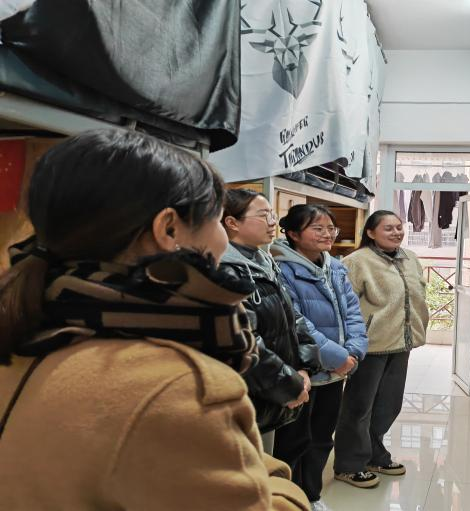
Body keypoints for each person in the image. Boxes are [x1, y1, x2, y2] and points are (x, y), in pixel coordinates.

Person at [0, 129, 308, 510]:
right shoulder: (177, 387)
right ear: (169, 229)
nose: (223, 242)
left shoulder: (28, 326)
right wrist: (271, 478)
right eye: (215, 219)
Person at [272, 204, 369, 511]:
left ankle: (311, 495)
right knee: (293, 440)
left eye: (331, 228)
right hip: (303, 370)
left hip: (336, 372)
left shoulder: (335, 267)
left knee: (322, 437)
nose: (327, 234)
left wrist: (353, 352)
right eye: (318, 228)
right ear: (293, 233)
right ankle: (289, 499)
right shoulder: (281, 269)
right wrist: (337, 356)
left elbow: (353, 313)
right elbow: (296, 321)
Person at [219, 189, 321, 455]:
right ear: (232, 222)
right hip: (251, 392)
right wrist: (287, 384)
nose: (273, 221)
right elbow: (246, 340)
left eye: (273, 214)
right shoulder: (225, 269)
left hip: (278, 387)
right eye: (264, 215)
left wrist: (304, 367)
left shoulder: (263, 259)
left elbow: (291, 316)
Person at [333, 210, 430, 486]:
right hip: (369, 346)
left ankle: (375, 454)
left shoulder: (409, 257)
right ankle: (349, 464)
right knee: (358, 407)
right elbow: (344, 306)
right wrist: (350, 343)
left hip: (401, 342)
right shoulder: (356, 261)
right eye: (388, 228)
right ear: (371, 232)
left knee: (389, 405)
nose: (396, 232)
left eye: (399, 227)